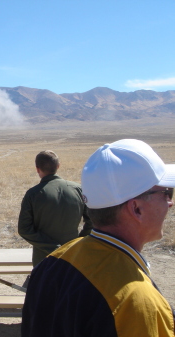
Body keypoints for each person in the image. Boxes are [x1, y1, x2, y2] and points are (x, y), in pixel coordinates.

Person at [21, 139, 175, 337]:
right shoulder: (135, 303)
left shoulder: (52, 262)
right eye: (166, 193)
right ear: (136, 208)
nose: (170, 203)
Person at [18, 150, 92, 267]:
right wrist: (78, 242)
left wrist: (54, 248)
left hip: (44, 259)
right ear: (58, 166)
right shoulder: (78, 189)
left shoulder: (33, 194)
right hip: (73, 256)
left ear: (37, 169)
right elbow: (92, 221)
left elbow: (24, 229)